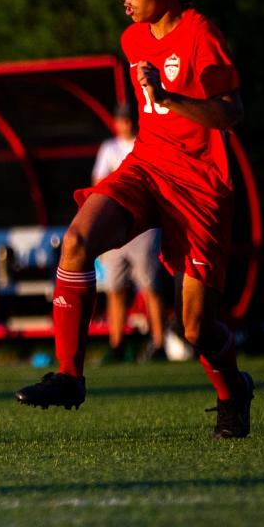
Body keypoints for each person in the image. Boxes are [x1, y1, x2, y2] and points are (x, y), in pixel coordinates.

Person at [15, 0, 254, 439]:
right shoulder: (132, 39)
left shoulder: (200, 34)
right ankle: (70, 376)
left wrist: (172, 99)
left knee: (194, 327)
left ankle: (233, 390)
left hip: (199, 186)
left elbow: (231, 114)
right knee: (77, 240)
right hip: (146, 166)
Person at [92, 103, 167, 363]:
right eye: (121, 120)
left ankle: (159, 343)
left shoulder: (145, 144)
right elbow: (100, 182)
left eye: (129, 120)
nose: (125, 124)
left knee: (150, 285)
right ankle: (117, 343)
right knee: (115, 287)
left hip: (143, 226)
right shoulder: (109, 148)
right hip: (116, 225)